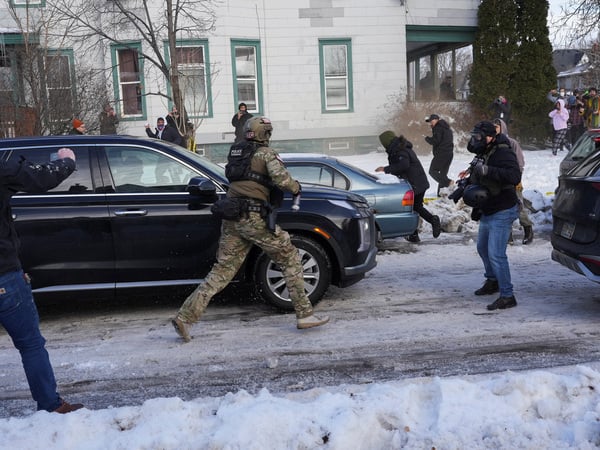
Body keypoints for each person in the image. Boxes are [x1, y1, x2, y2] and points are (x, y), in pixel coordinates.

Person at [172, 116, 329, 342]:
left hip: (232, 216)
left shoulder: (237, 152)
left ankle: (185, 317)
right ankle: (305, 315)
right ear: (265, 133)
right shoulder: (266, 154)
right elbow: (282, 180)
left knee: (221, 272)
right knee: (290, 257)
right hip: (254, 218)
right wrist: (296, 188)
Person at [0, 147, 84, 413]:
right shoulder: (3, 167)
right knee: (31, 344)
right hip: (4, 275)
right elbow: (41, 178)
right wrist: (66, 161)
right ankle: (50, 406)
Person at [466, 121, 521, 311]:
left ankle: (507, 295)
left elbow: (515, 176)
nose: (476, 140)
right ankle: (492, 281)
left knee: (496, 254)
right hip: (489, 208)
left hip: (503, 209)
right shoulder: (485, 151)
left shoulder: (503, 152)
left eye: (479, 137)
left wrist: (489, 170)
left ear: (490, 137)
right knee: (482, 248)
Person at [376, 131, 441, 243]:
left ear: (386, 142)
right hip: (416, 182)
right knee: (414, 207)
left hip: (415, 184)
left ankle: (425, 226)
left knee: (410, 208)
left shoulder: (399, 150)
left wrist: (385, 169)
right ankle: (415, 233)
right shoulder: (399, 147)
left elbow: (403, 165)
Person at [494, 118, 534, 245]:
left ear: (502, 128)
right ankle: (507, 234)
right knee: (502, 208)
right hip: (499, 181)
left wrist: (517, 178)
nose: (495, 129)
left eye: (497, 126)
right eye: (493, 127)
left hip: (513, 180)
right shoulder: (492, 143)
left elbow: (520, 162)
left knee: (518, 206)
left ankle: (528, 230)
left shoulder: (512, 143)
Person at [424, 114, 454, 196]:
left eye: (432, 121)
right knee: (442, 175)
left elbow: (436, 141)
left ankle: (449, 182)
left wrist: (427, 139)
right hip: (449, 154)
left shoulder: (437, 127)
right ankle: (440, 195)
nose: (431, 123)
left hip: (442, 154)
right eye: (430, 122)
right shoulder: (447, 128)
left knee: (432, 171)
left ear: (436, 120)